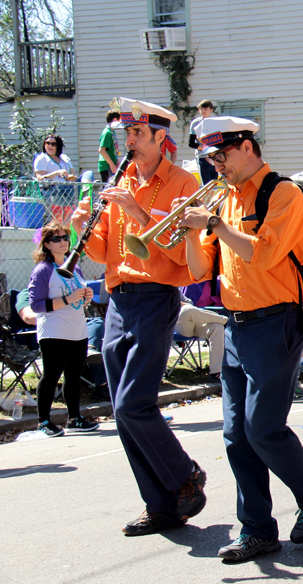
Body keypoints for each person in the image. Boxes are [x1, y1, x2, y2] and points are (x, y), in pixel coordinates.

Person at [179, 116, 303, 562]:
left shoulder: (283, 193)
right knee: (236, 435)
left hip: (274, 321)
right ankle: (257, 530)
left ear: (247, 147)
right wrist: (192, 230)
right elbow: (198, 270)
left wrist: (215, 224)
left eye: (221, 155)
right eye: (211, 158)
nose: (216, 165)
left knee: (263, 428)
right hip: (235, 324)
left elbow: (264, 254)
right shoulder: (224, 197)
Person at [70, 97, 207, 538]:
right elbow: (100, 250)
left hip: (155, 296)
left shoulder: (182, 183)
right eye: (126, 134)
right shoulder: (122, 179)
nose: (127, 142)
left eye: (136, 134)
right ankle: (161, 506)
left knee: (134, 403)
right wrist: (78, 225)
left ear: (159, 137)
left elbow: (181, 253)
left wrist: (137, 211)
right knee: (122, 411)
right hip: (117, 299)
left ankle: (186, 474)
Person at [27, 222, 98, 437]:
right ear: (47, 244)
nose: (63, 242)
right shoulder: (43, 270)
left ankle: (75, 418)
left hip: (77, 329)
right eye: (56, 239)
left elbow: (77, 299)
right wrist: (68, 299)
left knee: (74, 376)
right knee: (51, 376)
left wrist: (86, 297)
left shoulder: (75, 267)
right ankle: (43, 421)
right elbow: (36, 305)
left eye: (65, 237)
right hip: (54, 331)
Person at [175, 297, 227, 383]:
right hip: (174, 324)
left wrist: (181, 303)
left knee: (217, 327)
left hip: (192, 323)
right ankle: (227, 321)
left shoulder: (175, 290)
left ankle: (216, 372)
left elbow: (189, 302)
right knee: (187, 310)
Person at [189, 100, 218, 184]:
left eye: (206, 108)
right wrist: (204, 147)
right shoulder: (196, 123)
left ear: (211, 110)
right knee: (206, 184)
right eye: (201, 109)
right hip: (202, 156)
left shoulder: (215, 122)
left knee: (214, 183)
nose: (203, 111)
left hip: (214, 156)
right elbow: (191, 143)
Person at [98, 110, 121, 183]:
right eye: (119, 121)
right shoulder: (107, 132)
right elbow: (101, 150)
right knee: (109, 187)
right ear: (115, 120)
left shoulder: (112, 132)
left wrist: (116, 160)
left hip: (112, 164)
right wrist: (111, 164)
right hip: (107, 166)